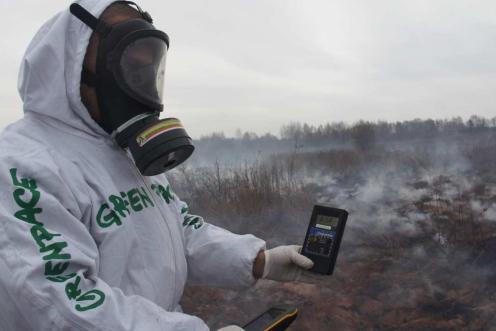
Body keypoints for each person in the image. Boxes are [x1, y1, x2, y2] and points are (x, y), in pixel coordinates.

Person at [0, 1, 314, 330]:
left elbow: (180, 230)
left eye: (147, 72)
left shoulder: (122, 152)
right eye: (129, 69)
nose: (143, 87)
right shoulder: (21, 165)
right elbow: (60, 305)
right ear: (71, 64)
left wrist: (259, 261)